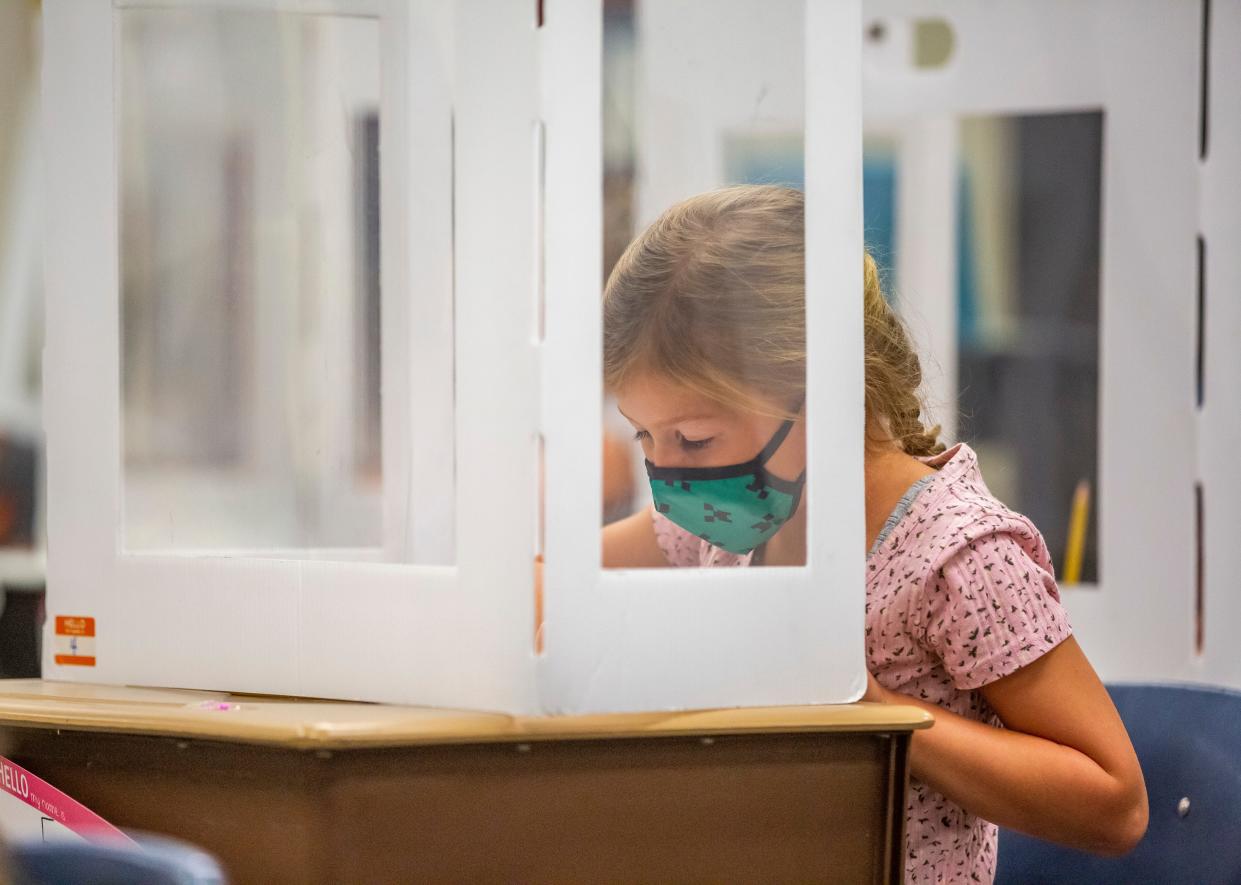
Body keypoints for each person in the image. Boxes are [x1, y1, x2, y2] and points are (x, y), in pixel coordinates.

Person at [601, 185, 1147, 883]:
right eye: (644, 435)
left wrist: (872, 710)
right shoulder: (737, 521)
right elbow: (555, 581)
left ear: (821, 387)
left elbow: (1114, 802)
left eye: (694, 438)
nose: (666, 474)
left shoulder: (956, 556)